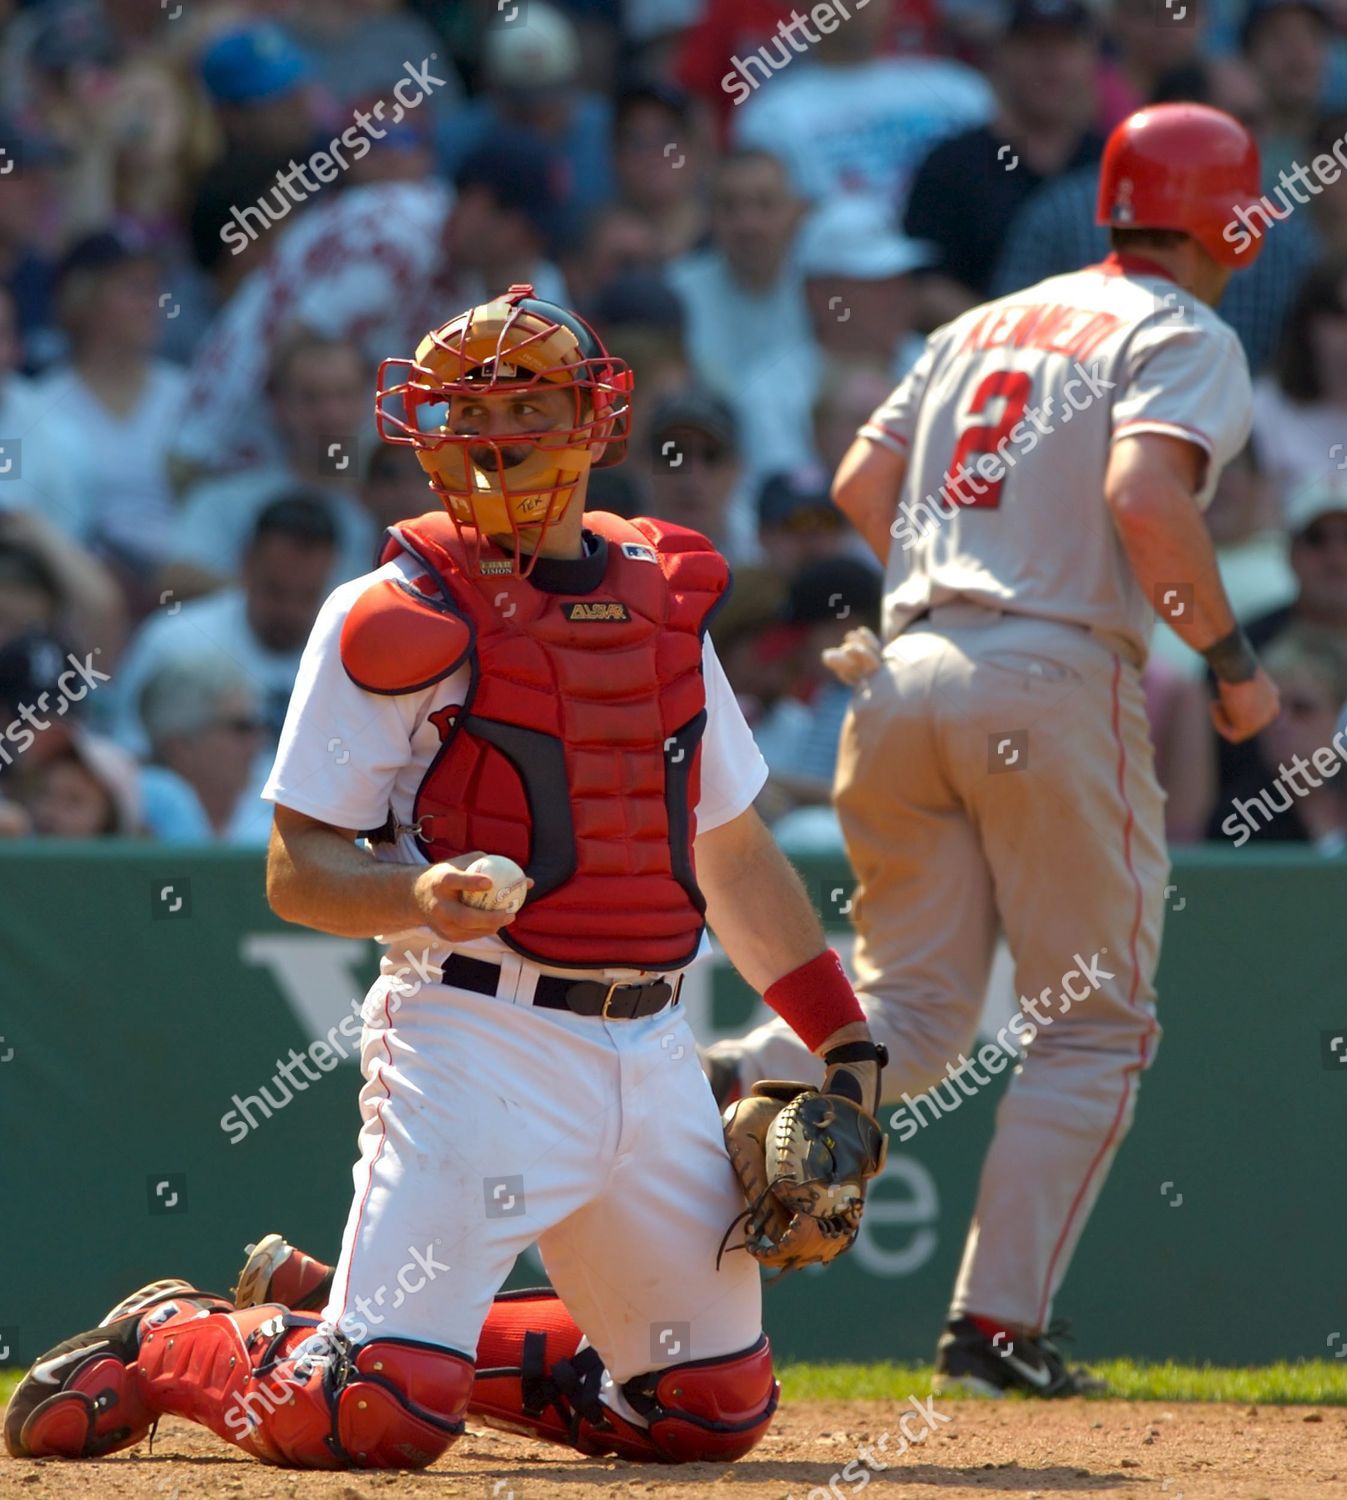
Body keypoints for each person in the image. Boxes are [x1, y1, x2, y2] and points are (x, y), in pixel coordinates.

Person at [4, 286, 885, 1471]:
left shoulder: (661, 601)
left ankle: (347, 1317)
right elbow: (297, 870)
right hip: (476, 1032)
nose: (500, 438)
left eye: (528, 406)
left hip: (654, 1042)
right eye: (471, 415)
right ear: (426, 436)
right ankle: (176, 1339)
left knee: (705, 1411)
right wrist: (414, 897)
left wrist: (846, 1046)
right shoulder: (393, 609)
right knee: (375, 1414)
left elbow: (727, 848)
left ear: (592, 420)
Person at [705, 104, 1282, 1394]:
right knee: (1092, 1030)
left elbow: (861, 481)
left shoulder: (983, 321)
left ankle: (728, 1075)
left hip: (904, 673)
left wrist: (953, 580)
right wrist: (1234, 668)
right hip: (1053, 674)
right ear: (1229, 223)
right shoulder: (1183, 330)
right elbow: (1146, 496)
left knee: (908, 1019)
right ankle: (994, 1334)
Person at [903, 0, 1104, 321]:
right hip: (985, 356)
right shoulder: (954, 165)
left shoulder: (1114, 161)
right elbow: (922, 283)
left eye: (1065, 46)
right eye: (1033, 46)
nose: (1050, 62)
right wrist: (1015, 336)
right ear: (1000, 55)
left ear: (1091, 57)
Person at [107, 495, 338, 755]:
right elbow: (129, 753)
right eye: (276, 591)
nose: (290, 611)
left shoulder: (347, 656)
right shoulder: (174, 641)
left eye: (307, 596)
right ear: (246, 563)